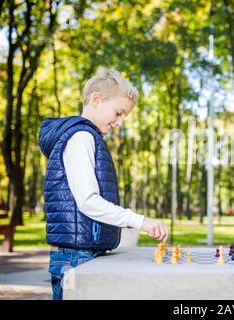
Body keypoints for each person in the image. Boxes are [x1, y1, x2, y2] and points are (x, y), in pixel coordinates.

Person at [39, 68, 169, 300]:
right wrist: (140, 221)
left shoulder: (86, 136)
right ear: (96, 99)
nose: (120, 122)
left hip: (83, 252)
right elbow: (88, 202)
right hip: (78, 258)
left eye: (124, 117)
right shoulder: (81, 137)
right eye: (118, 113)